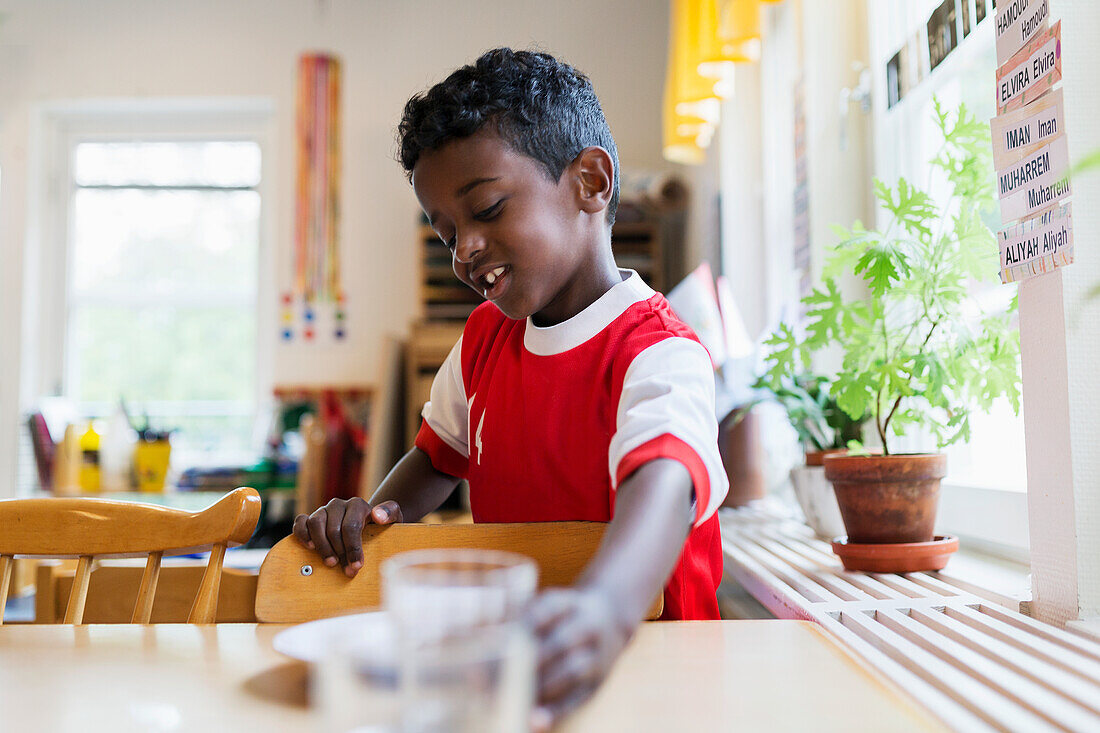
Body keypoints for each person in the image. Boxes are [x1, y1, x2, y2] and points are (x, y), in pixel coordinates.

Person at [292, 47, 728, 729]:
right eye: (447, 233)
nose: (464, 248)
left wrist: (606, 610)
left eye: (488, 208)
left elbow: (666, 486)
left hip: (657, 674)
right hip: (523, 679)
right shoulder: (484, 341)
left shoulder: (658, 350)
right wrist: (371, 520)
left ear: (590, 181)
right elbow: (437, 458)